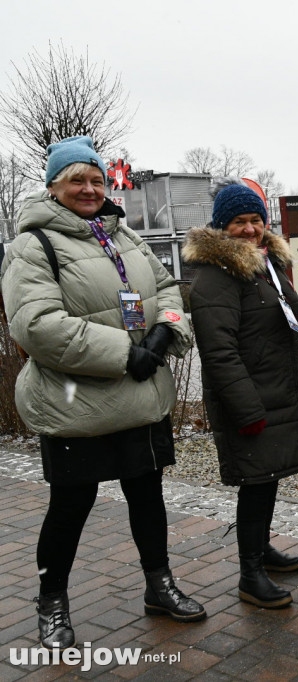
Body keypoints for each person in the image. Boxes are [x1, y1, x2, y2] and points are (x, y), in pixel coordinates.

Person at [0, 136, 204, 647]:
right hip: (77, 405)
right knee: (70, 508)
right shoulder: (34, 245)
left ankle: (160, 585)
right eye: (77, 180)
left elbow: (169, 291)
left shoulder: (124, 235)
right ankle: (52, 603)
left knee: (148, 498)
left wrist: (163, 334)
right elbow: (36, 325)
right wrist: (124, 352)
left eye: (96, 179)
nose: (90, 188)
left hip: (141, 399)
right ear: (53, 186)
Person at [184, 180, 298, 609]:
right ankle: (250, 575)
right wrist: (246, 409)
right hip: (250, 399)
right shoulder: (216, 276)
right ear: (222, 227)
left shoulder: (266, 263)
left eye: (256, 220)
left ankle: (261, 551)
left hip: (275, 390)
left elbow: (287, 312)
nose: (249, 229)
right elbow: (219, 351)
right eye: (239, 222)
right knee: (255, 484)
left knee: (268, 479)